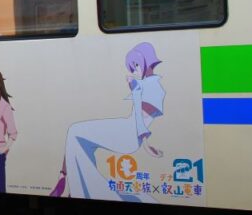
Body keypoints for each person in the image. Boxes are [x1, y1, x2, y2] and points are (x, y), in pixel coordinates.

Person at [49, 42, 165, 201]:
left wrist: (145, 141)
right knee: (76, 132)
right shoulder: (146, 85)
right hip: (127, 129)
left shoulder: (156, 89)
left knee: (75, 132)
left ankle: (72, 185)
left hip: (129, 134)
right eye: (133, 67)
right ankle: (67, 180)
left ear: (147, 61)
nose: (135, 70)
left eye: (136, 65)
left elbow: (140, 120)